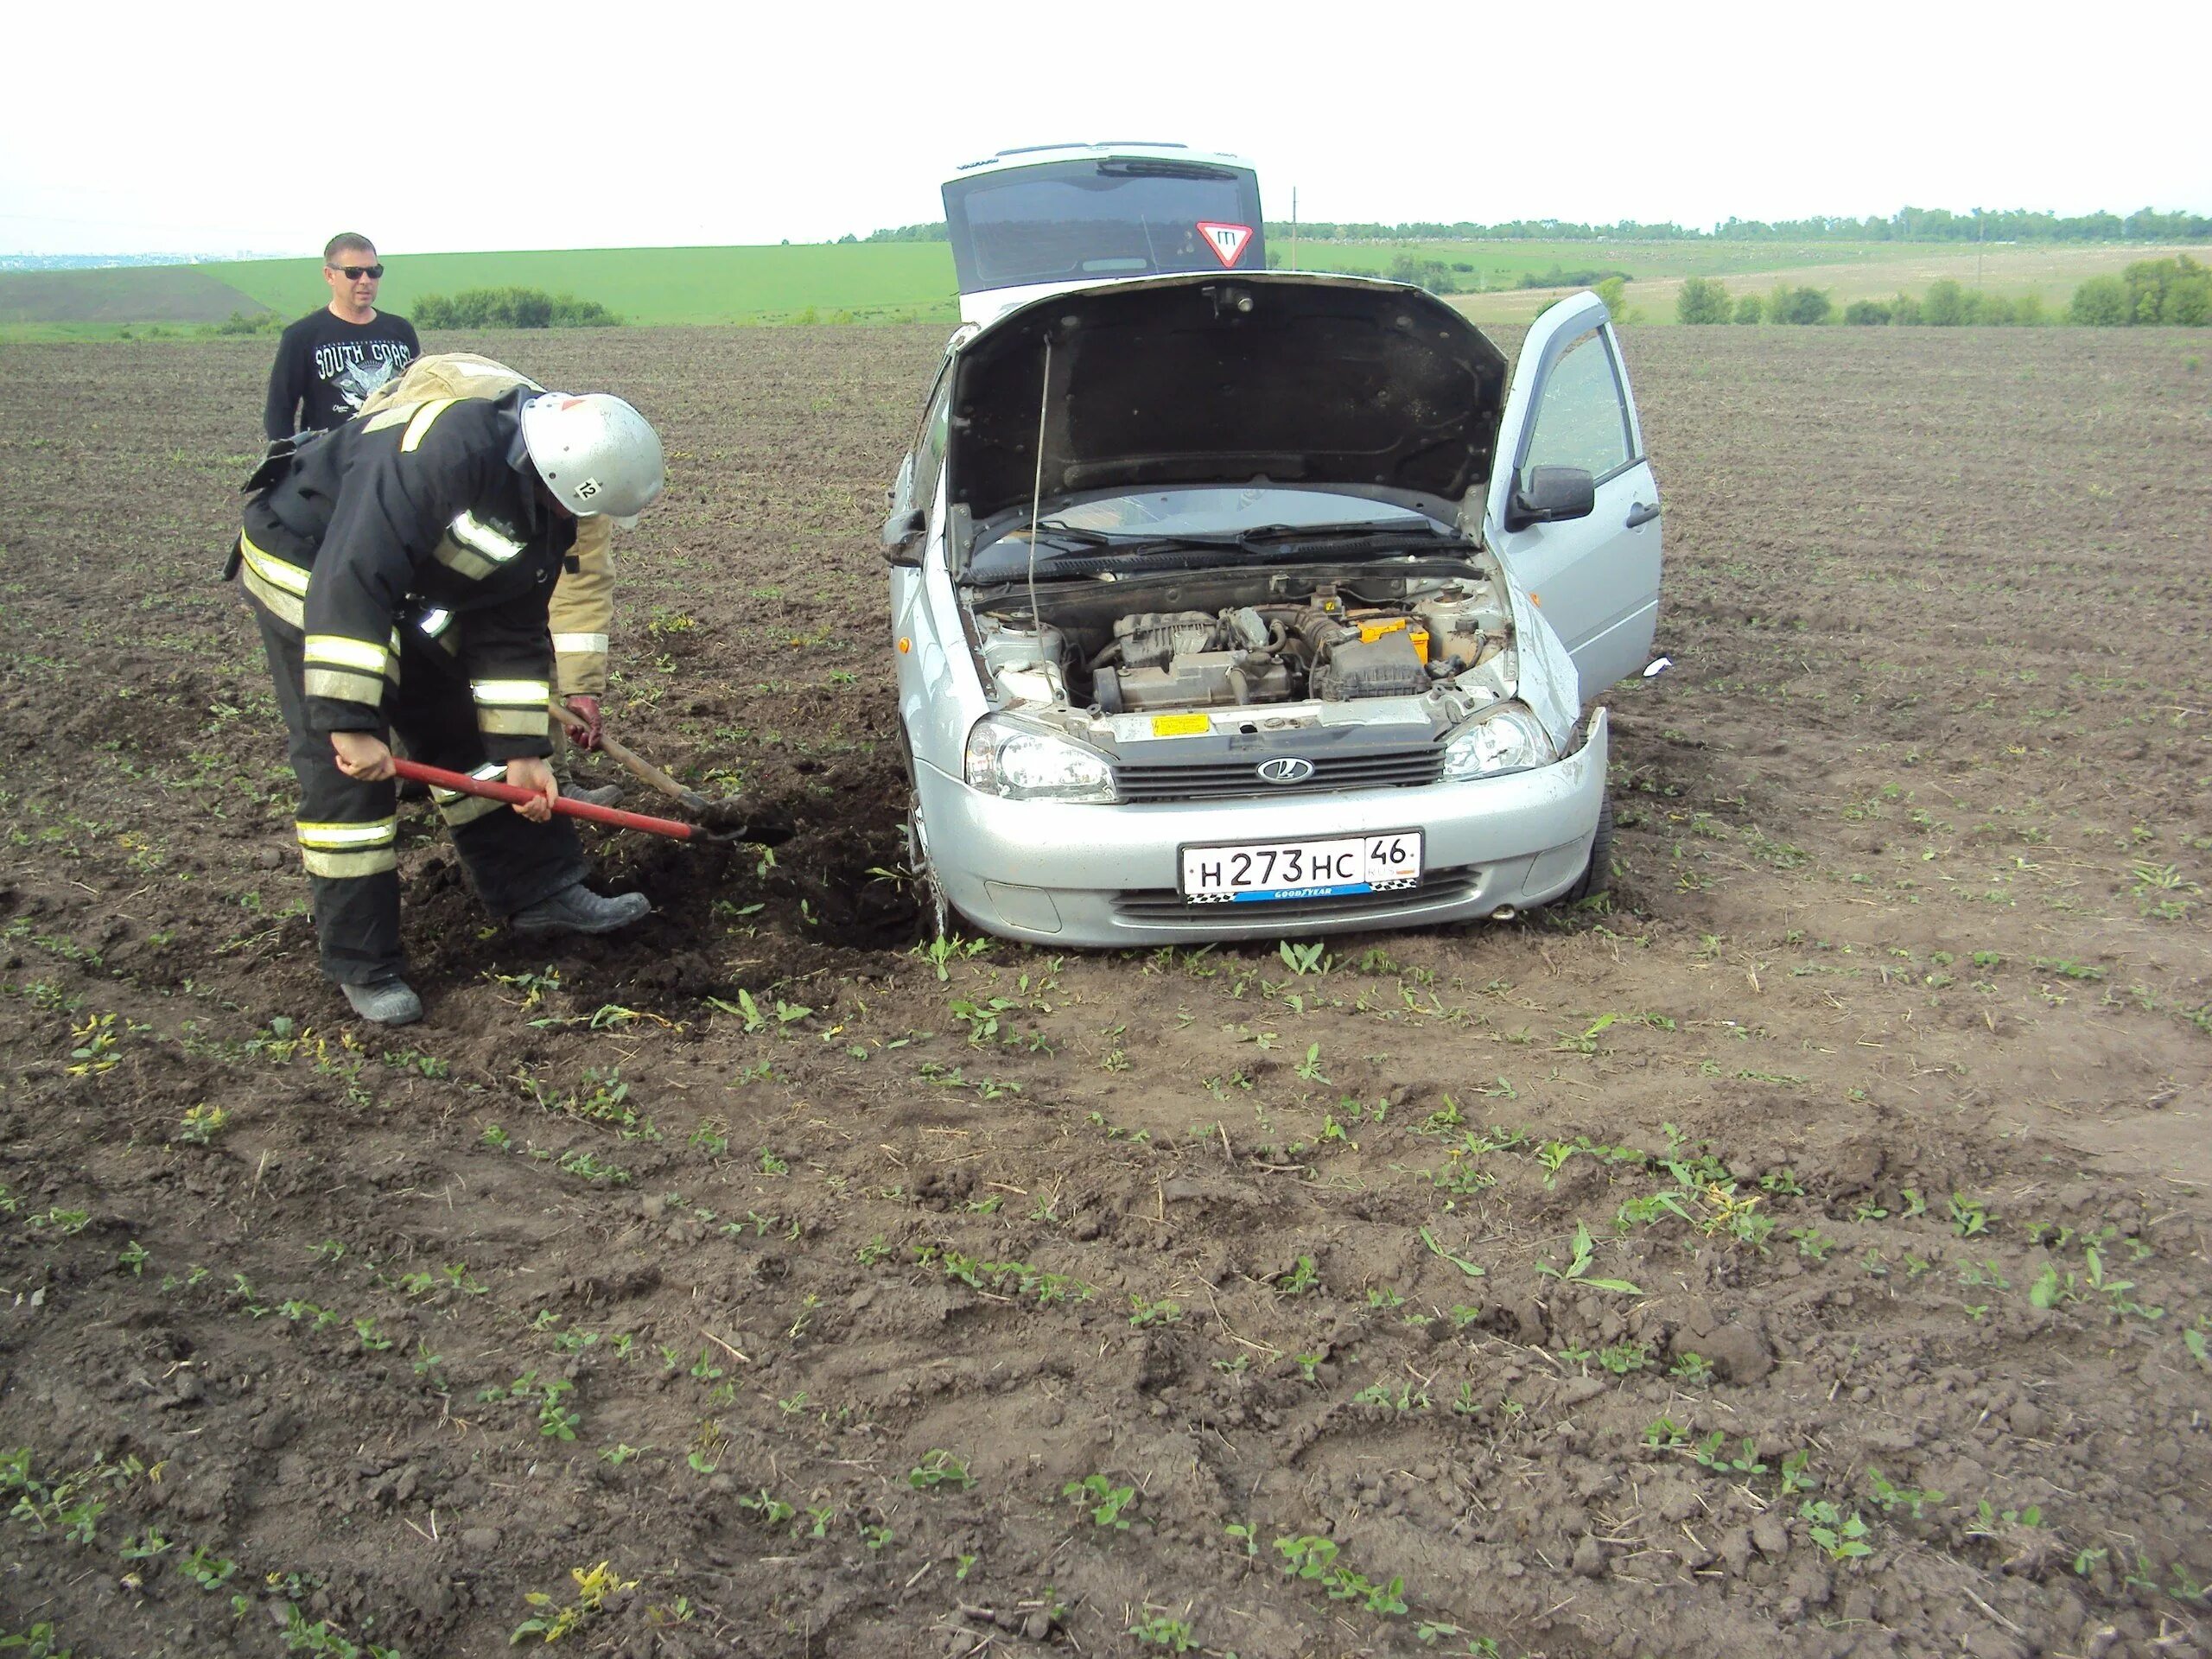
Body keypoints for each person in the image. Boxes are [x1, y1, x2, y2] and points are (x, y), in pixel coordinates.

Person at [232, 382, 664, 1026]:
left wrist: (522, 752)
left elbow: (510, 625)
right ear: (552, 469)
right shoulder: (434, 458)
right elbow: (351, 580)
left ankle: (539, 889)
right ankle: (363, 962)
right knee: (347, 782)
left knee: (463, 724)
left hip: (403, 584)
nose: (572, 518)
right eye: (568, 503)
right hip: (311, 565)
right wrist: (350, 722)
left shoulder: (546, 501)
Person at [356, 354, 621, 806]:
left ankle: (549, 773)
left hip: (482, 492)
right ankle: (410, 769)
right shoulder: (456, 441)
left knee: (520, 628)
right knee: (421, 642)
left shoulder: (585, 484)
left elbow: (580, 583)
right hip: (399, 501)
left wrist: (581, 688)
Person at [264, 232, 421, 441]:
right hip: (332, 466)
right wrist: (288, 464)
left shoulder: (401, 330)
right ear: (330, 275)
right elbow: (279, 413)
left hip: (393, 462)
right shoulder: (302, 336)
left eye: (373, 272)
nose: (365, 281)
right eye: (353, 273)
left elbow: (421, 395)